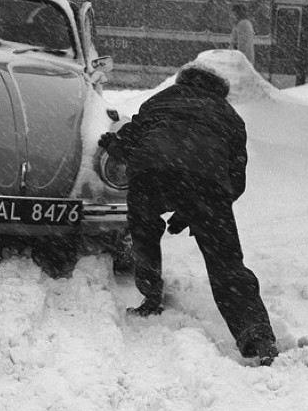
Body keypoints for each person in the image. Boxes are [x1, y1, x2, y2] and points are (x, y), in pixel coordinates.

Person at [98, 63, 278, 366]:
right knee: (227, 265)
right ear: (219, 91)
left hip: (151, 174)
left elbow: (132, 139)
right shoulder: (230, 116)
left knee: (144, 234)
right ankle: (256, 334)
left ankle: (151, 296)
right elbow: (235, 179)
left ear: (184, 81)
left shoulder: (160, 100)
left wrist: (115, 146)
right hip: (207, 184)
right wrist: (198, 211)